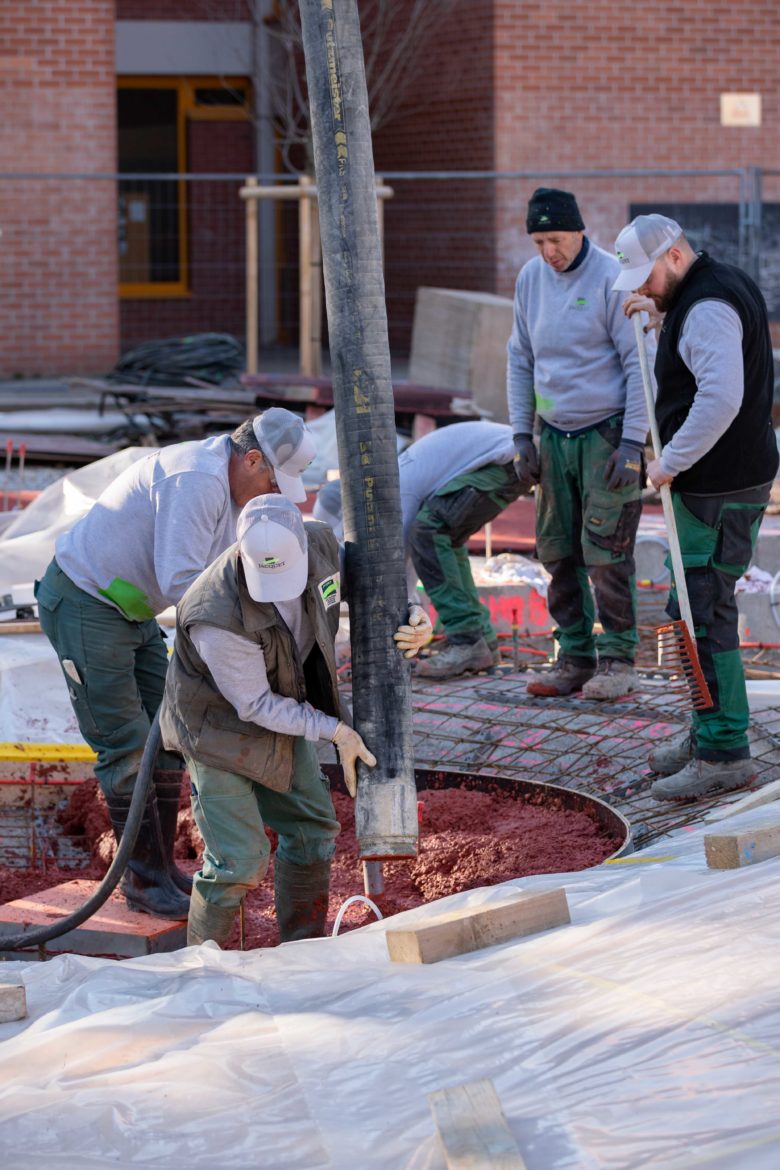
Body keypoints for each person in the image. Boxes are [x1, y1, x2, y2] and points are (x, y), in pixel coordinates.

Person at [35, 408, 317, 919]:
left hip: (134, 608)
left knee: (164, 738)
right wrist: (238, 647)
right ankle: (144, 883)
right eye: (274, 480)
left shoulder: (236, 491)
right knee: (124, 743)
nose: (274, 493)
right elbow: (185, 581)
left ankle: (161, 872)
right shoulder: (196, 481)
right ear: (251, 458)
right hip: (87, 600)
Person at [158, 494, 432, 947]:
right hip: (218, 730)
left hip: (284, 707)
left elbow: (374, 578)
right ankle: (200, 972)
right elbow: (254, 705)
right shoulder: (214, 612)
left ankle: (302, 953)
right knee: (239, 861)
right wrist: (336, 732)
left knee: (312, 833)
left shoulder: (321, 544)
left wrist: (413, 607)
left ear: (303, 548)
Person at [613, 213, 779, 801]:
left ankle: (726, 751)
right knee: (691, 604)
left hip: (716, 485)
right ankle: (708, 729)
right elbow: (695, 363)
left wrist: (670, 461)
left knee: (704, 611)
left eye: (646, 277)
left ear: (675, 257)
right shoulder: (710, 290)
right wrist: (658, 320)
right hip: (722, 481)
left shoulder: (706, 306)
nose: (640, 287)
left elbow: (720, 395)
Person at [507, 187, 649, 701]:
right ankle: (574, 656)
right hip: (554, 435)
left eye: (558, 239)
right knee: (558, 551)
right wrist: (522, 434)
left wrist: (633, 443)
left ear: (580, 231)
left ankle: (617, 658)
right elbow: (520, 357)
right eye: (540, 240)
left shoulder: (611, 277)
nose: (550, 251)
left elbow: (638, 363)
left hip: (606, 433)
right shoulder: (530, 280)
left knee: (606, 552)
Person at [313, 420, 525, 679]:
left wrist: (368, 645)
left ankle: (468, 642)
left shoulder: (397, 499)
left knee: (429, 534)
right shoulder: (392, 484)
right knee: (445, 538)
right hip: (508, 456)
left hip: (510, 458)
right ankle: (481, 641)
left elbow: (397, 585)